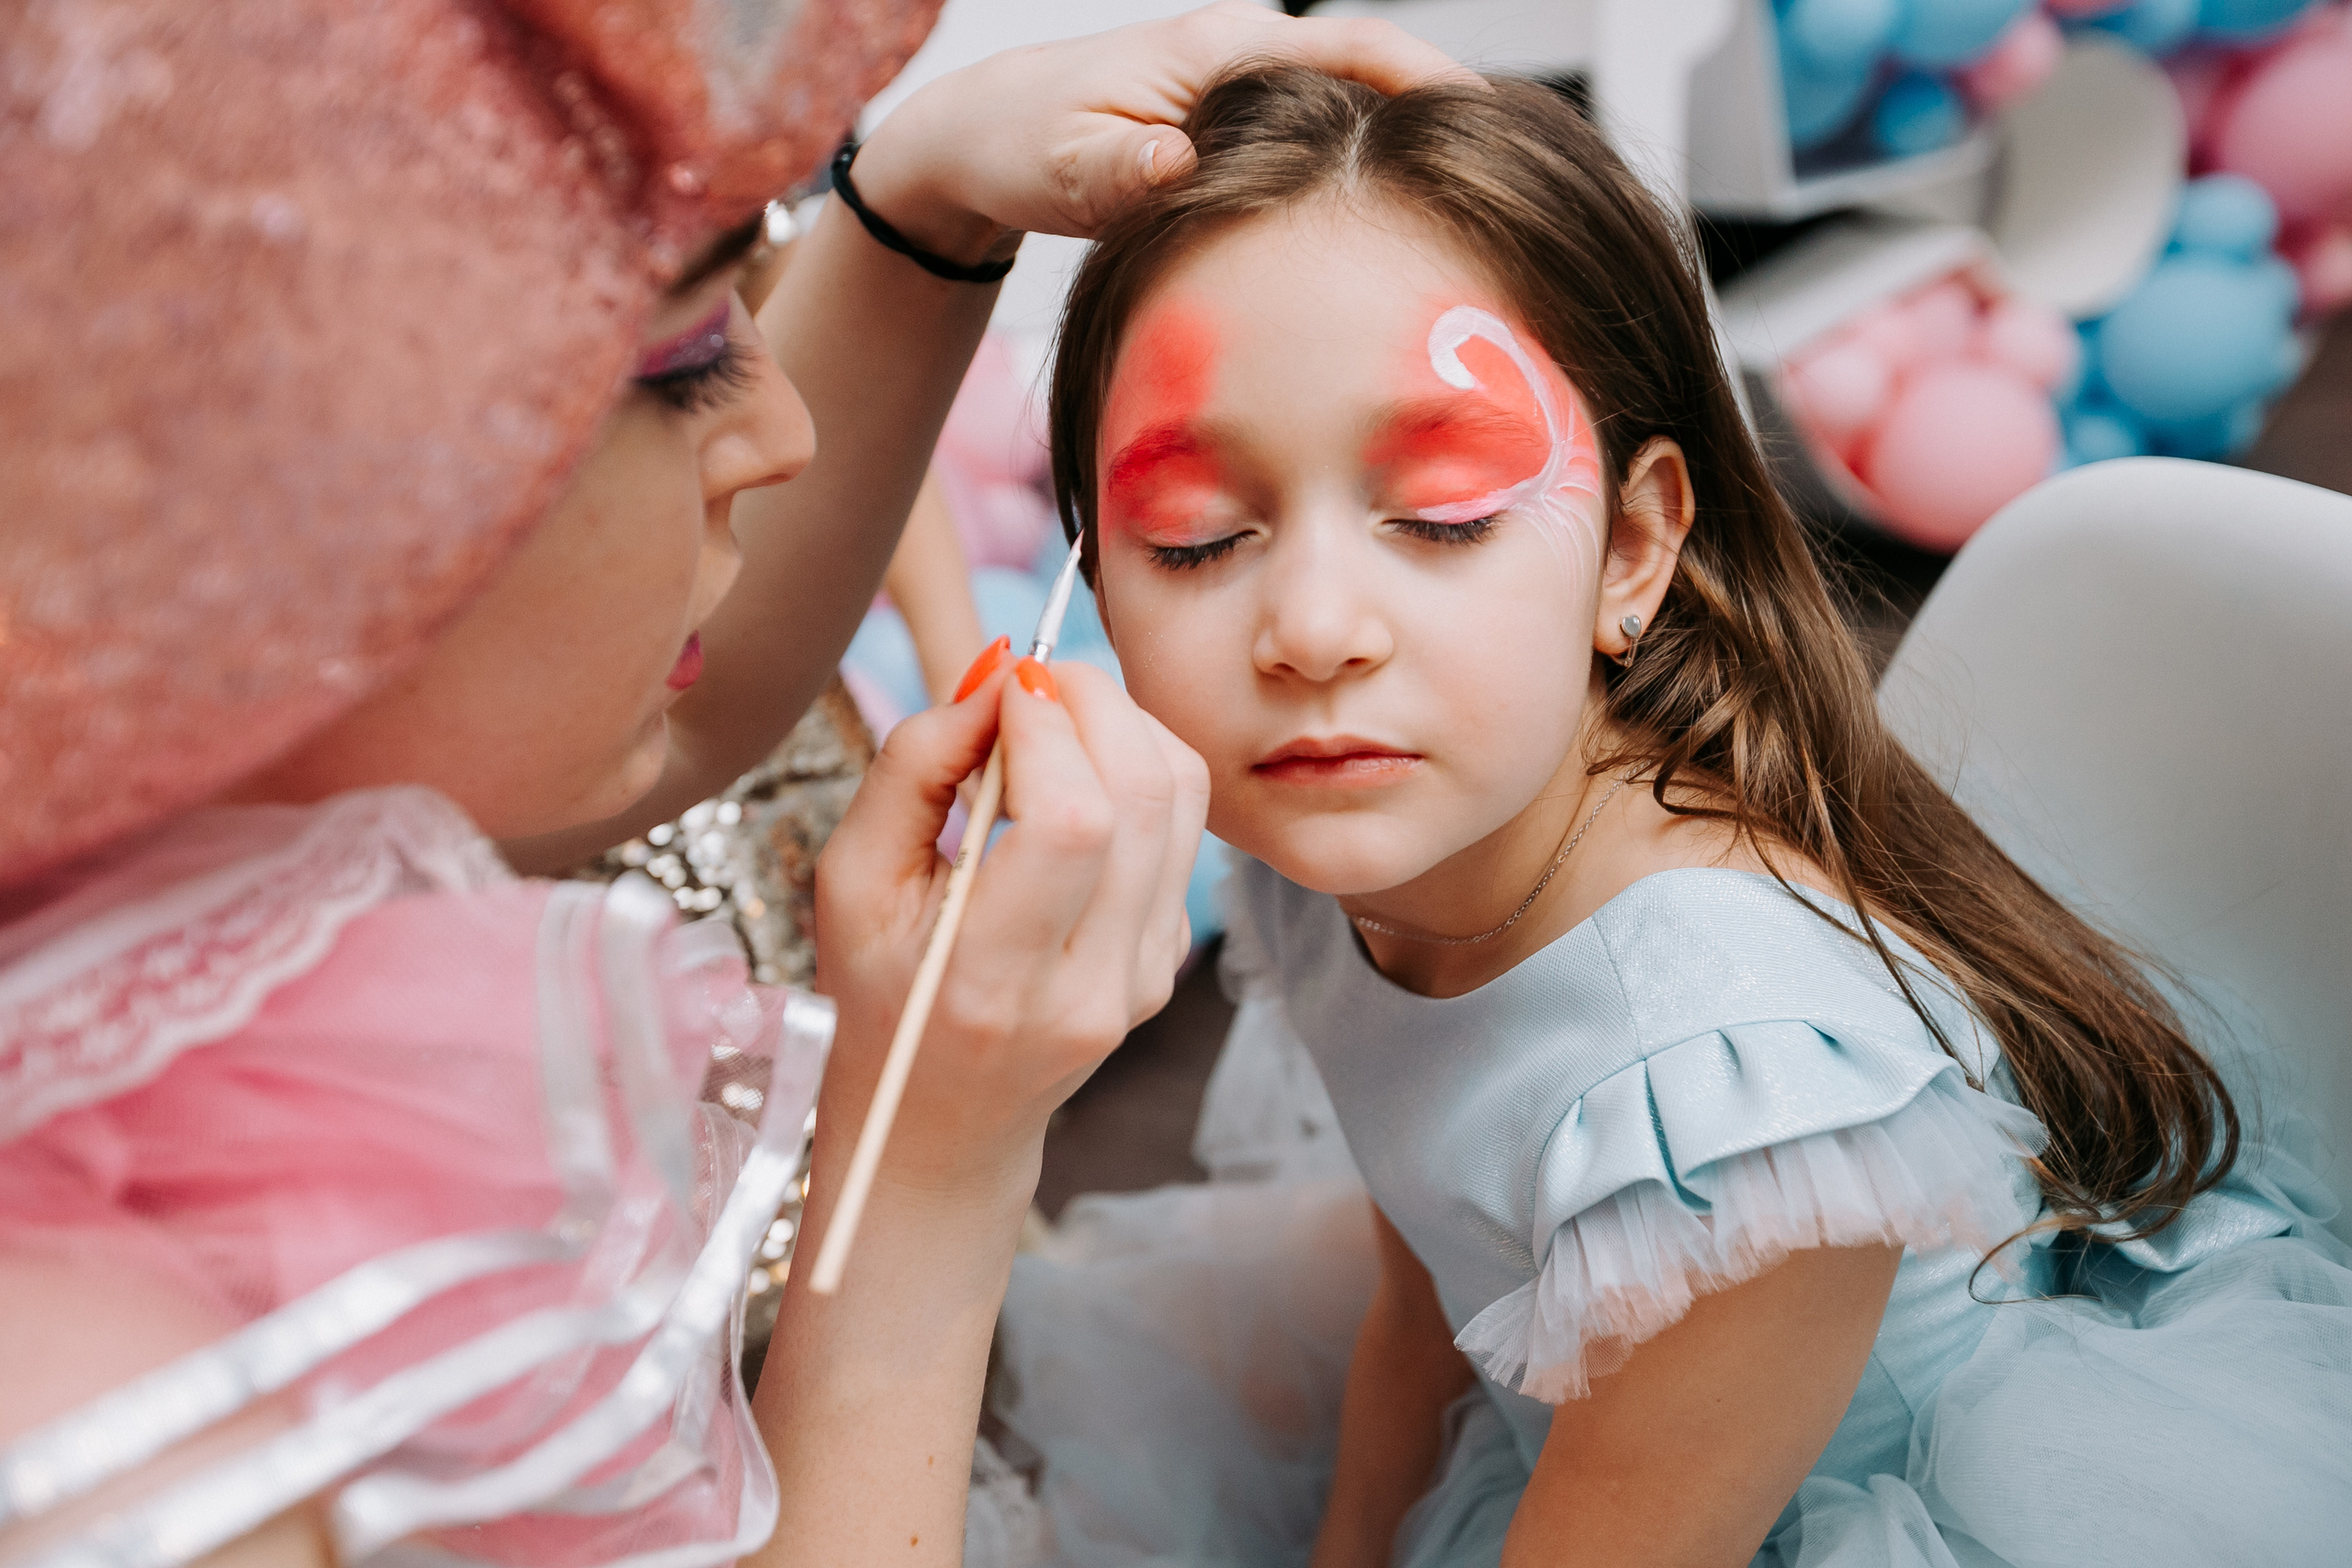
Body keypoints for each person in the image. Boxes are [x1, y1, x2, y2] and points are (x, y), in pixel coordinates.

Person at [0, 7, 1466, 1566]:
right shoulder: (110, 1407)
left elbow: (641, 689)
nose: (784, 431)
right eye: (688, 356)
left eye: (1439, 513)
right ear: (251, 504)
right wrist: (929, 1163)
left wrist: (924, 209)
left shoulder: (166, 840)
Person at [992, 66, 2352, 1567]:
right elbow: (1425, 1282)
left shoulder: (1738, 1115)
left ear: (1633, 547)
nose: (1313, 632)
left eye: (1441, 517)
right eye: (1198, 538)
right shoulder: (1352, 830)